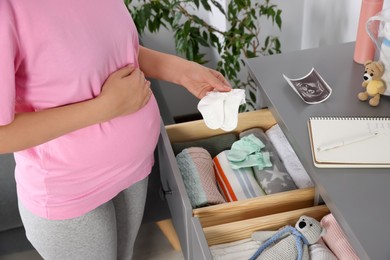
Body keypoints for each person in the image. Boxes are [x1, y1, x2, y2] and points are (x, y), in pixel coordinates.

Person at [0, 0, 231, 259]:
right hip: (69, 192)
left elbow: (117, 52)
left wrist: (181, 71)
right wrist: (105, 108)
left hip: (132, 172)